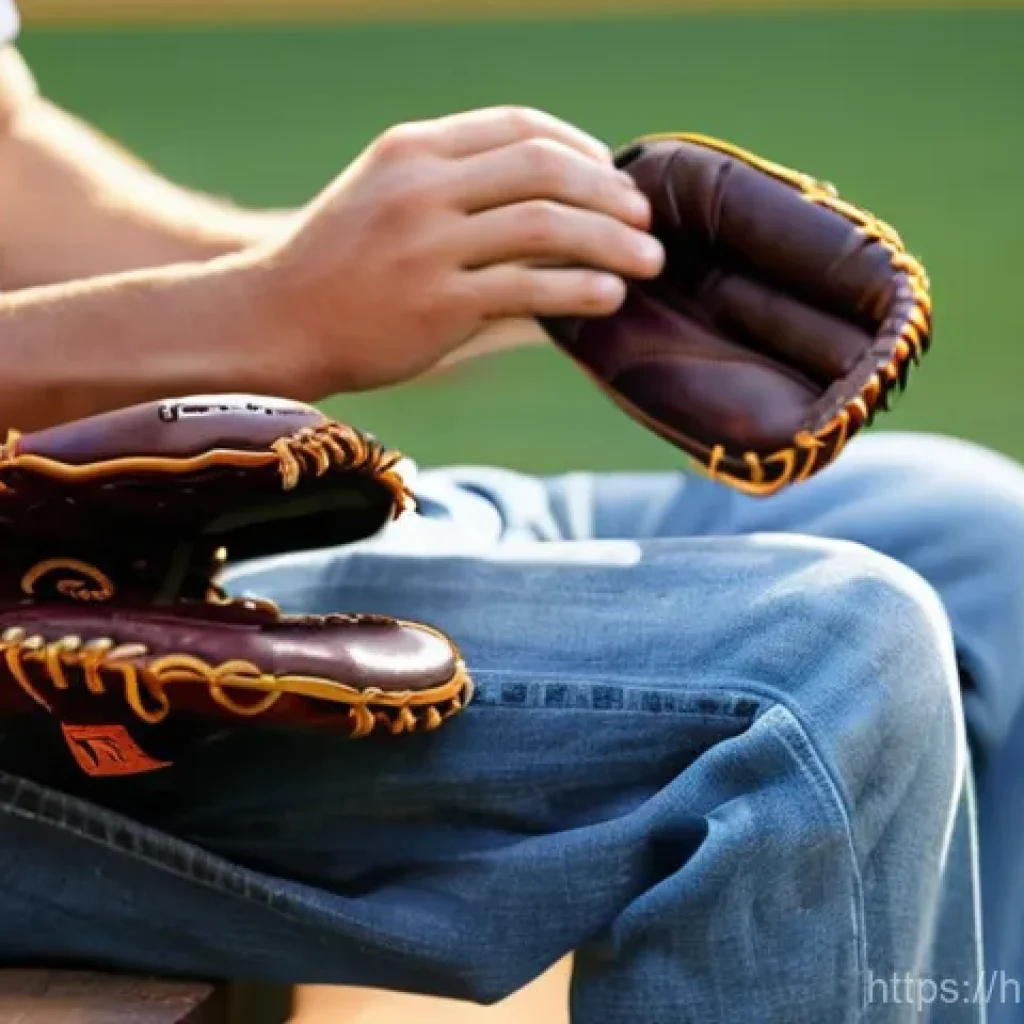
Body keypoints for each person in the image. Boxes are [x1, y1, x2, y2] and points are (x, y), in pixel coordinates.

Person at [0, 4, 1022, 1022]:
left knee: (972, 536)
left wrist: (493, 270)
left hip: (127, 542)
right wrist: (259, 311)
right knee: (826, 663)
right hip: (38, 674)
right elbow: (253, 307)